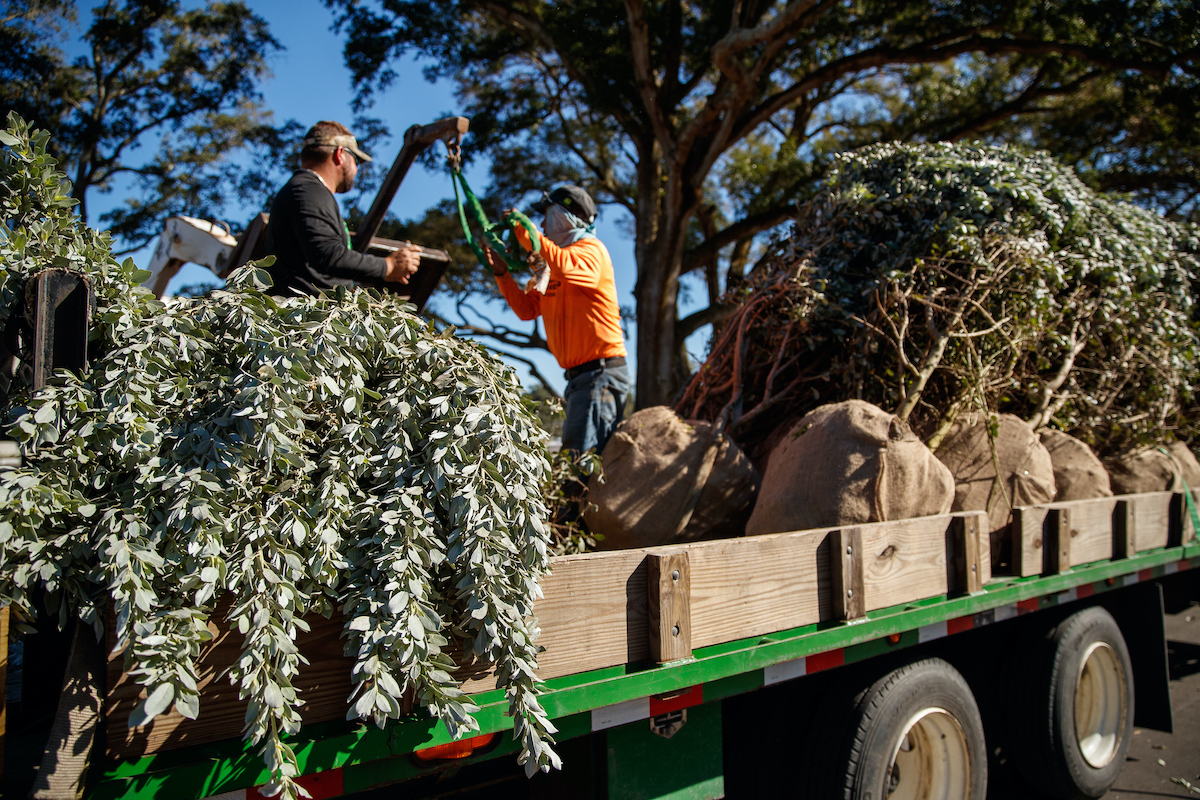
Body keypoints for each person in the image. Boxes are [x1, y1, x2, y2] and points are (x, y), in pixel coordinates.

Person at [484, 185, 630, 454]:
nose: (541, 223)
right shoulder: (552, 265)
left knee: (577, 465)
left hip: (601, 375)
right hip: (581, 379)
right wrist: (502, 274)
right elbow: (527, 309)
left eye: (546, 215)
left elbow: (561, 262)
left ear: (565, 216)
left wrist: (523, 230)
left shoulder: (591, 251)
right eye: (536, 220)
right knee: (578, 464)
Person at [265, 120, 420, 297]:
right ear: (340, 154)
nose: (356, 170)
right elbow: (327, 255)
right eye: (356, 161)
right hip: (307, 317)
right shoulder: (308, 190)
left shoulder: (306, 190)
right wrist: (388, 266)